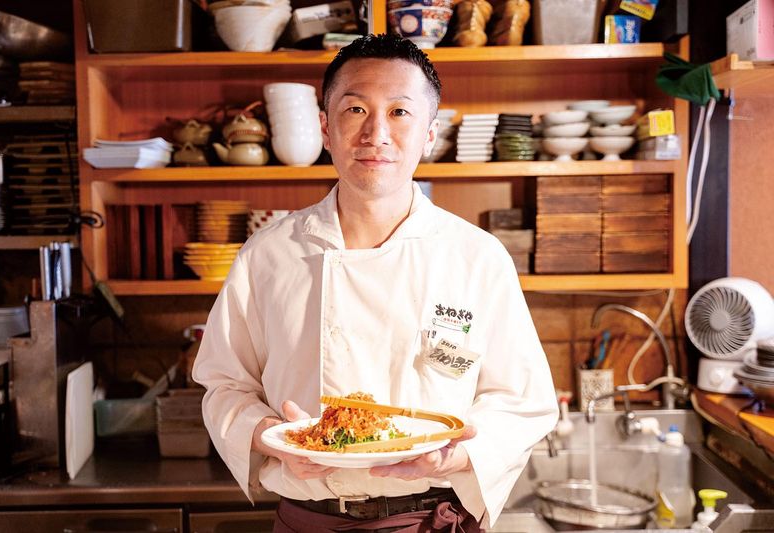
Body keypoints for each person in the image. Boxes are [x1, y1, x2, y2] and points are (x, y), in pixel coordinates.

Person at [193, 34, 558, 532]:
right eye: (356, 109)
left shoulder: (476, 257)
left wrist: (455, 456)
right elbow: (224, 384)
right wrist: (269, 435)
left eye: (400, 112)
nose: (376, 133)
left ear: (430, 134)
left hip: (429, 519)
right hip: (307, 521)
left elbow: (522, 401)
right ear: (326, 128)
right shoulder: (269, 254)